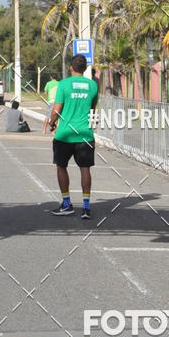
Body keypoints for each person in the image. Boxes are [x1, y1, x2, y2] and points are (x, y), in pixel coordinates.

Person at [48, 54, 98, 220]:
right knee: (85, 169)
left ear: (71, 67)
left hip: (64, 135)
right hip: (85, 134)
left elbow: (57, 109)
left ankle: (67, 203)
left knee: (61, 166)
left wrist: (51, 123)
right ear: (84, 69)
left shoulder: (63, 84)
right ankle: (85, 207)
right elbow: (92, 109)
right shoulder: (92, 85)